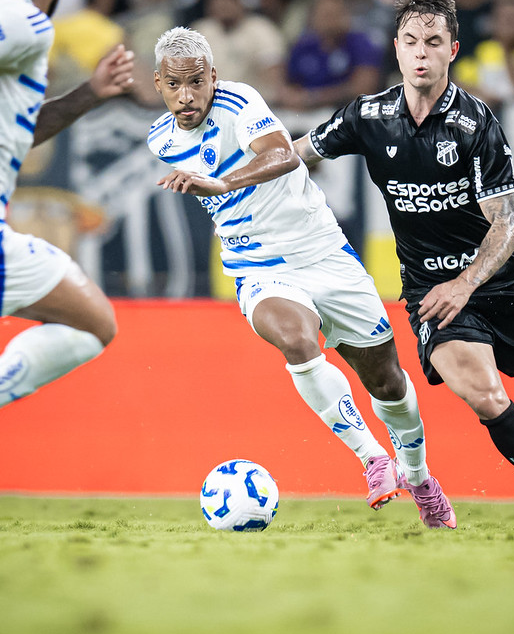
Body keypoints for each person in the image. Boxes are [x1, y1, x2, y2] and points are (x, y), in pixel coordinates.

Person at [293, 0, 514, 531]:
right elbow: (294, 154)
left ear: (452, 50)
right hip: (431, 292)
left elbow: (507, 224)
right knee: (486, 395)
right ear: (396, 49)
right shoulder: (369, 115)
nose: (421, 52)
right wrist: (228, 173)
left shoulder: (475, 122)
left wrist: (465, 283)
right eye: (411, 41)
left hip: (502, 282)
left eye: (433, 42)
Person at [150, 26, 455, 528]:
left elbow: (283, 153)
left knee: (387, 381)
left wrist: (222, 181)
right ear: (158, 83)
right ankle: (372, 458)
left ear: (214, 77)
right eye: (176, 85)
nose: (188, 96)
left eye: (197, 82)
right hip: (256, 264)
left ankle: (419, 477)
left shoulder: (238, 101)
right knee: (296, 338)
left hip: (322, 252)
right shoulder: (160, 140)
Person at [0, 0, 134, 408]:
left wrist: (89, 94)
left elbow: (17, 132)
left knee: (93, 320)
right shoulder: (25, 19)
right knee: (92, 325)